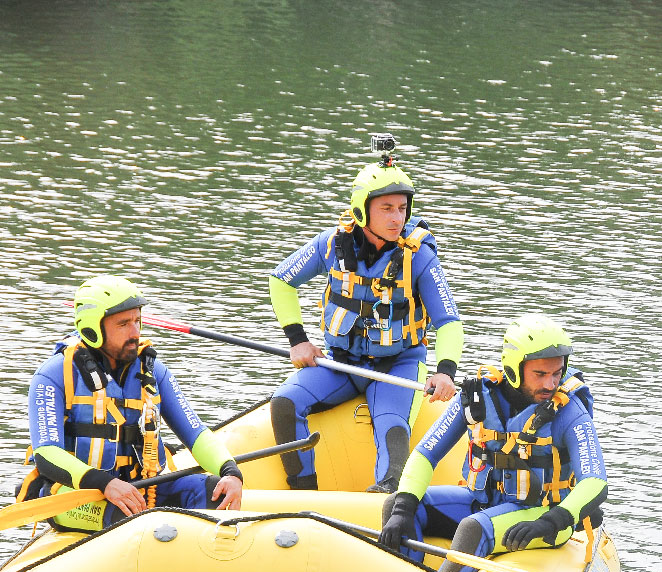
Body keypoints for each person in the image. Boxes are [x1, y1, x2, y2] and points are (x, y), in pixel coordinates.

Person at [267, 138, 463, 493]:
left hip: (398, 367)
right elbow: (281, 280)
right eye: (386, 208)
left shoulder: (419, 257)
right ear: (361, 210)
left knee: (391, 429)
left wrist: (446, 371)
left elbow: (449, 321)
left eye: (402, 208)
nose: (397, 218)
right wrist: (298, 340)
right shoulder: (331, 244)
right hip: (342, 363)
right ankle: (304, 496)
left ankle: (385, 500)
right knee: (283, 405)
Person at [379, 314, 607, 572]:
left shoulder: (569, 411)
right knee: (396, 505)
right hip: (484, 502)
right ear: (514, 368)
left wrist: (555, 520)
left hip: (542, 514)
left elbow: (595, 480)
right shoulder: (477, 398)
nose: (550, 384)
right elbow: (425, 453)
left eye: (557, 373)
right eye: (540, 374)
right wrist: (404, 509)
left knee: (473, 528)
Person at [19, 275, 243, 531]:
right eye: (124, 324)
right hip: (77, 494)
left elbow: (195, 432)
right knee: (126, 519)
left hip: (141, 485)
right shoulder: (53, 375)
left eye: (137, 321)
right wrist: (104, 484)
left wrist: (230, 471)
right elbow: (46, 454)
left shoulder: (153, 371)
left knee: (215, 494)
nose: (135, 333)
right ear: (94, 328)